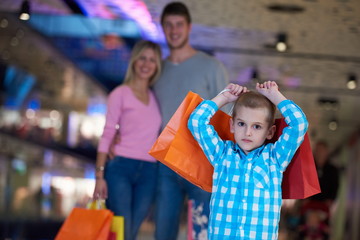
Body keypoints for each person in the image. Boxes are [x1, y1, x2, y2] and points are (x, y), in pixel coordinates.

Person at [188, 81, 309, 239]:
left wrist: (275, 96)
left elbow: (299, 124)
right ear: (232, 125)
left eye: (257, 126)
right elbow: (196, 121)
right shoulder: (222, 155)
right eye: (241, 124)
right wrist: (224, 97)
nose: (247, 132)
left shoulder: (275, 159)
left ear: (270, 132)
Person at [153, 2, 229, 239]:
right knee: (163, 232)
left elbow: (227, 114)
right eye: (168, 25)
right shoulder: (157, 70)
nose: (174, 30)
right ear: (162, 28)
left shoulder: (211, 67)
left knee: (202, 233)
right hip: (166, 162)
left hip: (202, 160)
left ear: (189, 27)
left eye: (179, 25)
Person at [93, 40, 162, 240]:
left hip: (149, 171)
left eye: (152, 60)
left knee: (131, 232)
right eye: (142, 58)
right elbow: (107, 134)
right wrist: (99, 177)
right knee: (122, 229)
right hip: (121, 168)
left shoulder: (155, 97)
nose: (146, 64)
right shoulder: (119, 94)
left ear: (157, 65)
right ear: (134, 61)